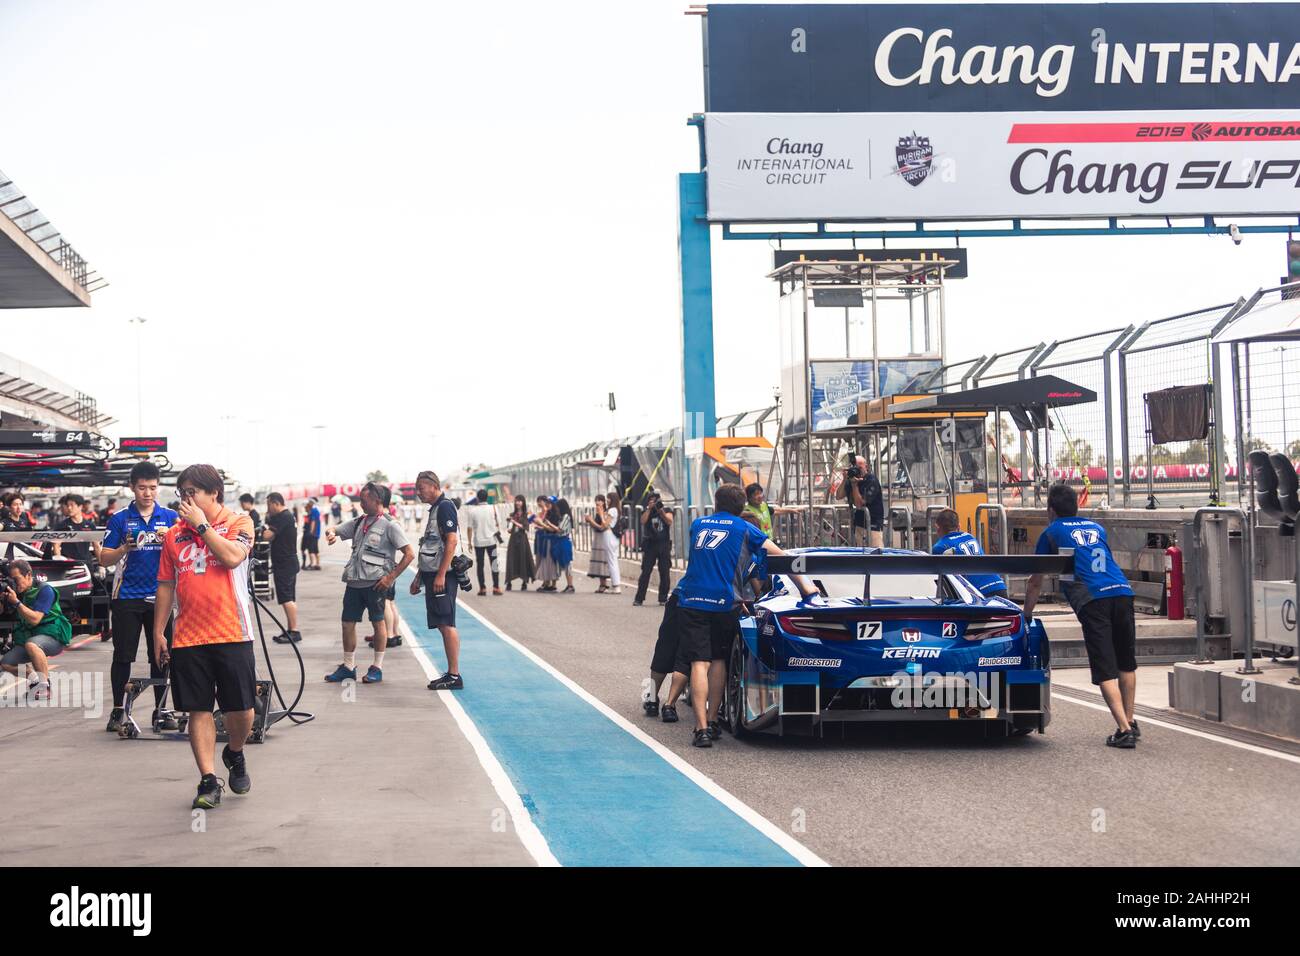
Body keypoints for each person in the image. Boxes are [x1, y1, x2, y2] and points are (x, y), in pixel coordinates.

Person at [653, 484, 816, 747]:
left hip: (692, 599)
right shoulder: (743, 528)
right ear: (742, 507)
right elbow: (782, 556)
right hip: (724, 602)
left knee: (698, 663)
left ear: (715, 503)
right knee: (719, 661)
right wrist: (806, 587)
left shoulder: (698, 524)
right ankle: (713, 720)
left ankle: (701, 729)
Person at [153, 464, 258, 809]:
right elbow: (166, 585)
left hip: (232, 631)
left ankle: (235, 752)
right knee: (198, 709)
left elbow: (230, 557)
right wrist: (158, 632)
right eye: (182, 493)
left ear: (214, 493)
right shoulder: (173, 535)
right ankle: (209, 780)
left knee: (241, 710)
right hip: (188, 636)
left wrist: (202, 525)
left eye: (192, 492)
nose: (186, 499)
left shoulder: (239, 523)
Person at [1024, 483, 1138, 750]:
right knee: (1126, 661)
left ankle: (1123, 730)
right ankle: (1130, 722)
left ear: (1050, 510)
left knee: (1104, 665)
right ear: (1077, 506)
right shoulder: (1096, 528)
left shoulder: (1052, 532)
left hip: (1093, 599)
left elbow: (1035, 581)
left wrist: (1026, 613)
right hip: (1122, 591)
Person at [98, 461, 178, 733]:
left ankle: (161, 710)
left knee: (162, 655)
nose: (147, 493)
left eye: (153, 488)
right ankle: (119, 710)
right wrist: (124, 548)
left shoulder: (170, 517)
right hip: (127, 597)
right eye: (142, 488)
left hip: (161, 597)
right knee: (123, 656)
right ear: (132, 487)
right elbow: (103, 557)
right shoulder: (119, 518)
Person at [324, 482, 414, 684]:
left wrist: (390, 578)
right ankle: (348, 666)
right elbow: (334, 529)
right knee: (347, 624)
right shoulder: (359, 522)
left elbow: (409, 554)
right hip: (354, 583)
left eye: (364, 500)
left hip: (376, 584)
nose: (361, 503)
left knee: (378, 623)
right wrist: (330, 533)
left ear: (378, 501)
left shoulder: (391, 525)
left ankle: (377, 667)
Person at [412, 471, 464, 689]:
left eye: (421, 489)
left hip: (444, 575)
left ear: (433, 486)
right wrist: (419, 576)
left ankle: (454, 675)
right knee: (442, 623)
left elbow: (451, 542)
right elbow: (430, 546)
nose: (418, 493)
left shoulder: (444, 507)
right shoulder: (435, 509)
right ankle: (451, 673)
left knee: (446, 622)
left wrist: (442, 574)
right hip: (432, 573)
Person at [0, 559, 72, 701]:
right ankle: (34, 680)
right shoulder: (16, 591)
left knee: (32, 645)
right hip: (29, 637)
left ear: (28, 575)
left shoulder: (45, 590)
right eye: (11, 579)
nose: (14, 583)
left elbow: (35, 619)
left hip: (52, 637)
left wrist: (17, 603)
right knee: (6, 663)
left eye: (16, 579)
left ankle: (45, 686)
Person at [931, 508, 1009, 600]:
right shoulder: (969, 536)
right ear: (959, 526)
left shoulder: (939, 547)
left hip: (978, 593)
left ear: (937, 528)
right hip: (998, 585)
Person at [260, 493, 302, 644]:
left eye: (269, 505)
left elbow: (266, 536)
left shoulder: (283, 517)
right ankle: (291, 630)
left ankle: (294, 631)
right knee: (289, 598)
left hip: (285, 563)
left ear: (275, 503)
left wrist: (265, 525)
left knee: (286, 598)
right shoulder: (287, 516)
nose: (268, 508)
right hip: (288, 562)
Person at [633, 491, 674, 606]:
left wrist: (660, 511)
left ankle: (663, 598)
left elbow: (669, 521)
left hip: (664, 544)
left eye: (656, 500)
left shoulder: (666, 510)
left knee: (665, 572)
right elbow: (643, 521)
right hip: (650, 544)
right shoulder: (647, 511)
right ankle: (639, 598)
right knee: (645, 572)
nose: (654, 503)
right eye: (652, 500)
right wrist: (649, 509)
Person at [838, 454, 883, 547]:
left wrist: (855, 486)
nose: (857, 470)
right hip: (859, 525)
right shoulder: (851, 479)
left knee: (875, 555)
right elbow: (838, 496)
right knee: (860, 556)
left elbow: (859, 504)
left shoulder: (871, 480)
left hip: (873, 525)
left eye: (860, 466)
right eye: (855, 467)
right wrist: (844, 479)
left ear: (866, 466)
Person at [463, 489, 503, 596]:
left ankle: (482, 588)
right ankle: (496, 587)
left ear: (477, 498)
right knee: (494, 564)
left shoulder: (472, 511)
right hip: (492, 541)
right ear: (487, 498)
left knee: (480, 566)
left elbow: (469, 528)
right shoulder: (493, 508)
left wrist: (469, 542)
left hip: (478, 542)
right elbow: (499, 522)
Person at [584, 495, 620, 593]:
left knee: (611, 562)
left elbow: (603, 525)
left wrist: (599, 514)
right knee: (612, 561)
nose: (607, 500)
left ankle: (616, 586)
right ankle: (615, 585)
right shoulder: (612, 510)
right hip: (607, 537)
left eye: (608, 498)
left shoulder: (612, 510)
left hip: (608, 536)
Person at [504, 495, 535, 591]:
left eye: (520, 501)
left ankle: (524, 582)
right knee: (511, 559)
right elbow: (509, 529)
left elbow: (525, 527)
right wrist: (510, 525)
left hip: (522, 539)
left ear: (523, 503)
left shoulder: (526, 514)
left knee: (523, 558)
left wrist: (514, 522)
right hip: (513, 538)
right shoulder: (512, 514)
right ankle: (509, 582)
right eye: (517, 501)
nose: (518, 503)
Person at [533, 496, 559, 591]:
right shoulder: (549, 514)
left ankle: (552, 583)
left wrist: (541, 524)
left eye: (548, 503)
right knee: (546, 561)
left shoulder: (555, 515)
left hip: (552, 540)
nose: (546, 505)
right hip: (546, 539)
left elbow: (553, 529)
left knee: (551, 561)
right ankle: (547, 583)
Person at [553, 498, 576, 593]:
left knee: (567, 564)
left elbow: (560, 529)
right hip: (560, 541)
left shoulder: (566, 516)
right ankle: (567, 585)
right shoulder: (561, 516)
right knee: (561, 563)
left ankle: (570, 585)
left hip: (565, 541)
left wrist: (548, 524)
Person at [303, 497, 323, 570]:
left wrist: (311, 531)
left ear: (312, 502)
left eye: (309, 502)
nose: (308, 503)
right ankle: (317, 564)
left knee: (311, 549)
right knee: (315, 549)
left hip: (313, 533)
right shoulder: (316, 510)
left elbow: (313, 522)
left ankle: (312, 564)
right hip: (316, 533)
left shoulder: (314, 510)